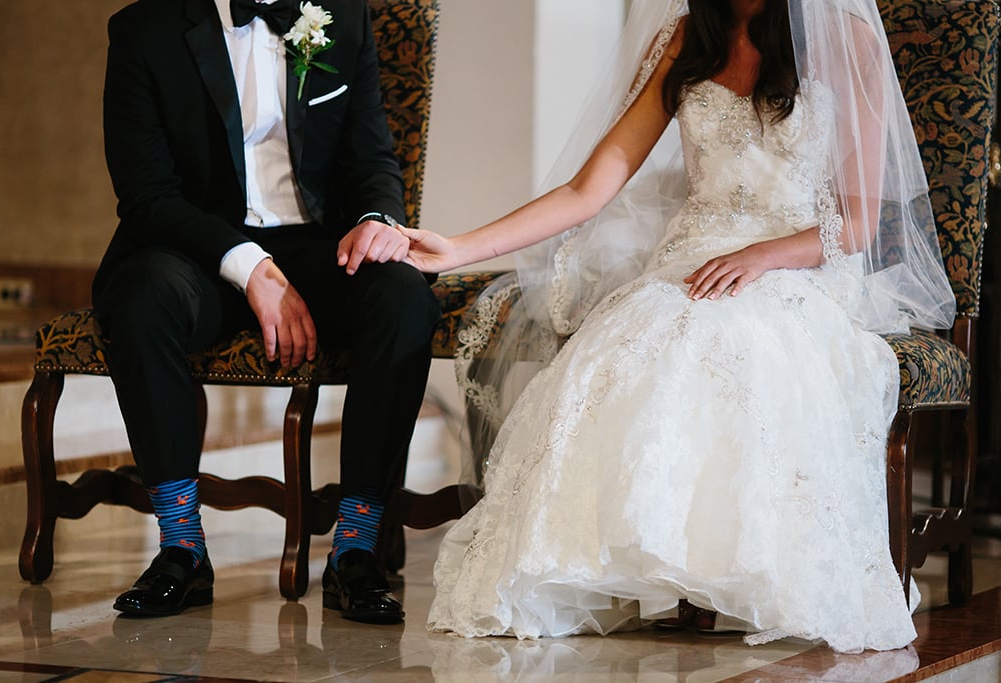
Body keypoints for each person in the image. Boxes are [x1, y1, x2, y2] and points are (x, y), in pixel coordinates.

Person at [382, 0, 956, 653]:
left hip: (802, 261)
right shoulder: (690, 36)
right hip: (692, 260)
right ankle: (649, 569)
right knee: (632, 339)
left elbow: (855, 222)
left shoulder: (843, 38)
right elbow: (587, 190)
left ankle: (723, 574)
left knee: (737, 339)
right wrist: (458, 247)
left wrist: (758, 257)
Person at [94, 0, 440, 623]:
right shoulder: (143, 29)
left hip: (317, 245)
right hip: (198, 249)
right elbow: (147, 196)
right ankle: (183, 551)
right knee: (142, 296)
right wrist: (250, 267)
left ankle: (354, 551)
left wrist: (374, 222)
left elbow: (373, 159)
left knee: (404, 295)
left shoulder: (343, 17)